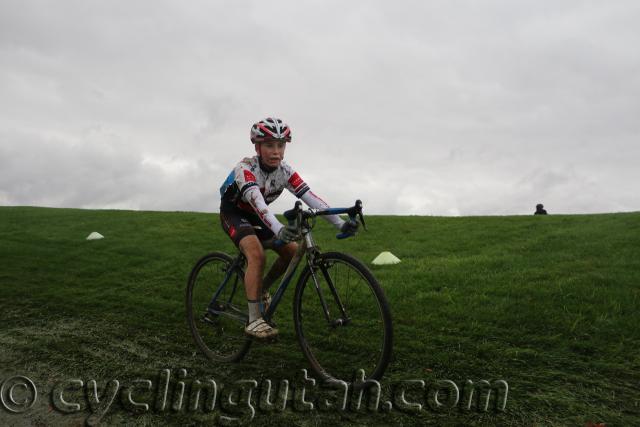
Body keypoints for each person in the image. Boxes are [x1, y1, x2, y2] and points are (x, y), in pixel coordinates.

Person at [218, 117, 358, 339]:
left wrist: (340, 223)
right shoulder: (245, 169)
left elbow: (311, 197)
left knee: (292, 251)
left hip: (257, 216)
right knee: (257, 254)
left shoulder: (285, 171)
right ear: (257, 147)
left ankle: (262, 288)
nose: (276, 152)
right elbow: (258, 204)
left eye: (281, 145)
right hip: (234, 213)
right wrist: (278, 228)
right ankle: (254, 319)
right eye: (269, 145)